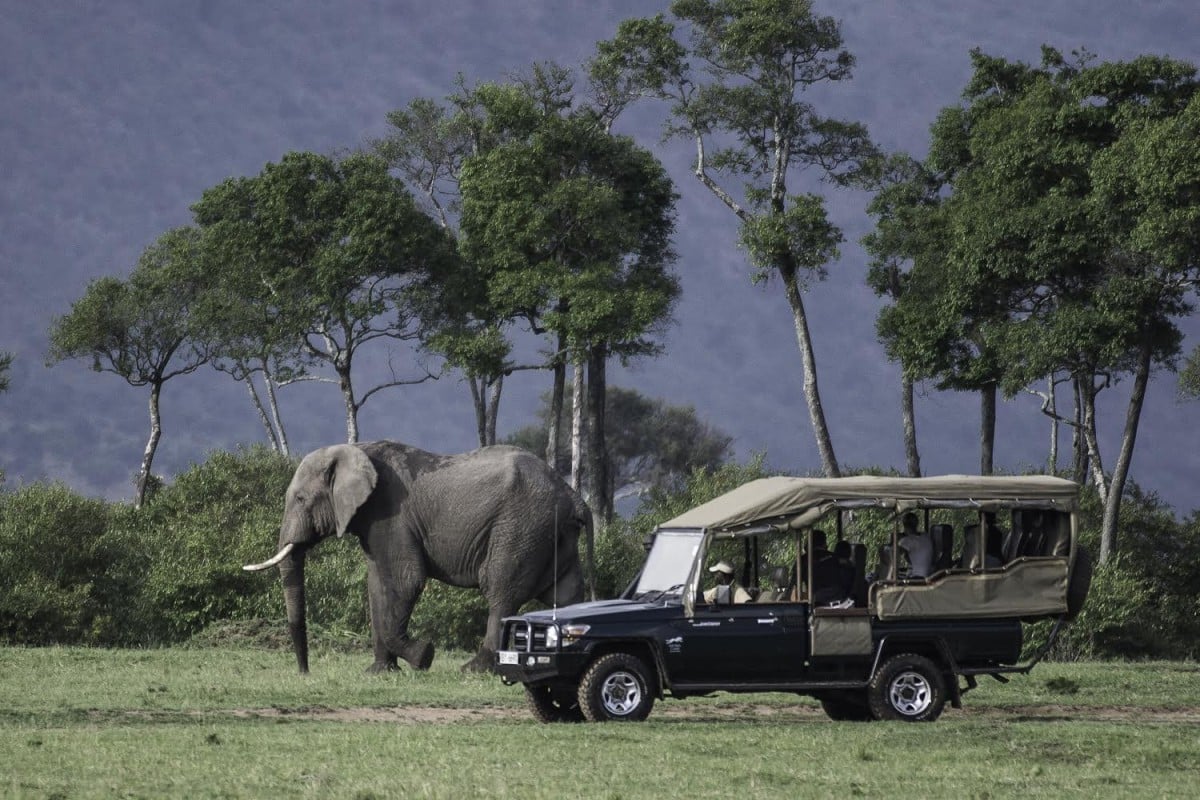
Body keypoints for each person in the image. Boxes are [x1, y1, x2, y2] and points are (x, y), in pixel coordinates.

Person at [898, 512, 934, 578]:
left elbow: (894, 555)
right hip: (927, 575)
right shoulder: (926, 536)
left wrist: (895, 541)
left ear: (904, 525)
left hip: (916, 577)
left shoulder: (907, 541)